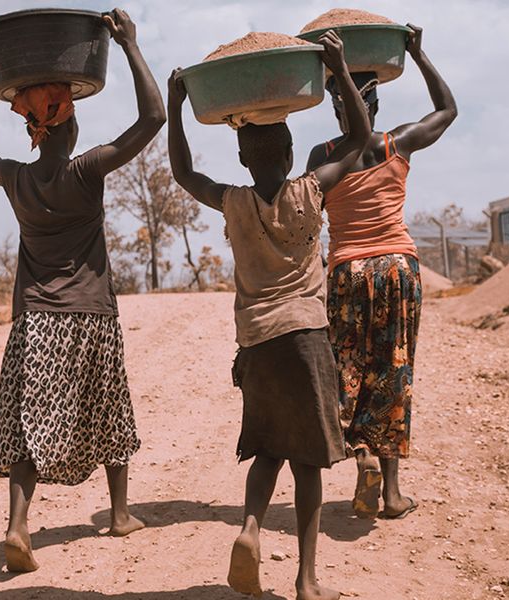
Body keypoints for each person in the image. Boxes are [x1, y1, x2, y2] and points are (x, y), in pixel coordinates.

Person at [168, 31, 368, 600]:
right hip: (306, 335)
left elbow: (184, 175)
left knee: (266, 447)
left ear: (241, 156)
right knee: (308, 464)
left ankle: (252, 528)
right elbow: (355, 138)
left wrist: (178, 108)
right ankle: (306, 581)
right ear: (287, 153)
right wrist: (339, 68)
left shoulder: (232, 200)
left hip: (257, 342)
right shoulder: (311, 190)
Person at [0, 8, 165, 573]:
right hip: (91, 316)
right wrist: (129, 45)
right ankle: (121, 513)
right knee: (110, 413)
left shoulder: (17, 178)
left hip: (35, 320)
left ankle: (17, 526)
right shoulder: (86, 171)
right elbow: (152, 119)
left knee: (32, 420)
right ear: (68, 128)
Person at [305, 24, 457, 521]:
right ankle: (391, 494)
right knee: (394, 373)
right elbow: (448, 110)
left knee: (348, 372)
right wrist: (418, 52)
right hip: (399, 268)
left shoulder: (322, 157)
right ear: (376, 105)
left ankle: (361, 455)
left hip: (349, 270)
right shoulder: (398, 144)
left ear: (336, 104)